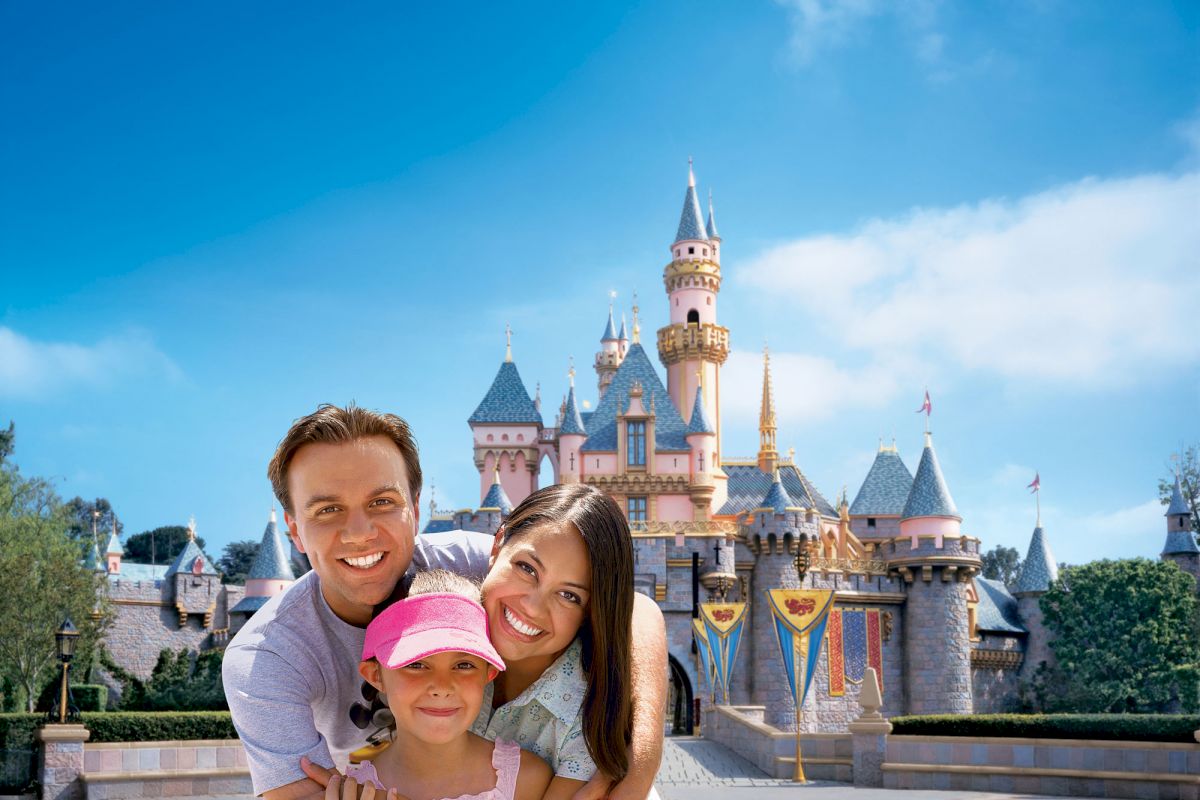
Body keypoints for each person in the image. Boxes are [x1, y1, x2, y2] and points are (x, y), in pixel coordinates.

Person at [223, 404, 666, 800]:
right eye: (327, 510)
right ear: (294, 529)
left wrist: (642, 758)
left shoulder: (471, 569)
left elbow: (631, 606)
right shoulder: (265, 659)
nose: (359, 532)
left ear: (414, 509)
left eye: (382, 501)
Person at [316, 483, 641, 800]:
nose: (532, 607)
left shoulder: (584, 717)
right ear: (497, 546)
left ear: (591, 611)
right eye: (527, 569)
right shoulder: (449, 617)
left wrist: (645, 762)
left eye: (569, 595)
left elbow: (643, 610)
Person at [329, 569, 551, 800]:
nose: (442, 687)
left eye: (464, 665)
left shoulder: (527, 779)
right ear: (375, 675)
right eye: (416, 665)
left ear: (489, 673)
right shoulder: (353, 791)